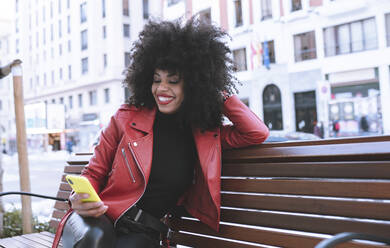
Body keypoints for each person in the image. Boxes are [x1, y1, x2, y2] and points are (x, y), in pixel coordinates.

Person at [53, 19, 269, 248]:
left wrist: (219, 93)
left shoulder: (205, 135)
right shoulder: (125, 118)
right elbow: (94, 173)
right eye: (156, 80)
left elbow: (256, 132)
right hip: (102, 223)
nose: (162, 88)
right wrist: (79, 199)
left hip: (144, 234)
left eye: (173, 81)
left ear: (194, 84)